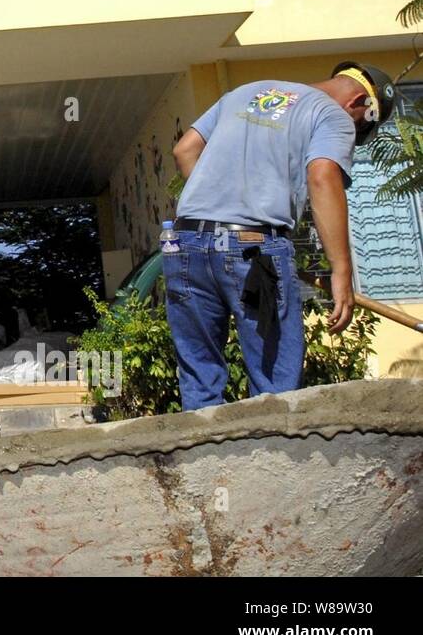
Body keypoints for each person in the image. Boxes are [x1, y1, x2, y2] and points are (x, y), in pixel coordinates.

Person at [166, 61, 396, 410]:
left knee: (199, 377)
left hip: (184, 246)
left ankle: (199, 458)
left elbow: (184, 150)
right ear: (359, 104)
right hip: (254, 254)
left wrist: (219, 205)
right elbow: (322, 177)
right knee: (274, 384)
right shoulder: (331, 116)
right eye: (360, 127)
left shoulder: (244, 92)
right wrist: (342, 271)